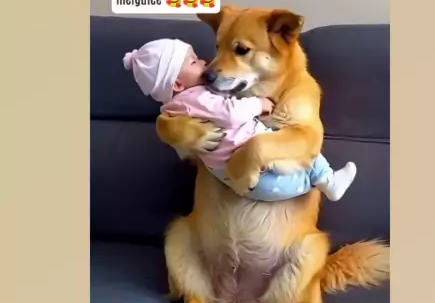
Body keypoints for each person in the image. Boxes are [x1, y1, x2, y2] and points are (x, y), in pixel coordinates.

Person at [123, 38, 357, 202]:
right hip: (254, 177)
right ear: (176, 84)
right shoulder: (197, 98)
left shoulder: (174, 106)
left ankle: (322, 181)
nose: (207, 63)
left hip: (236, 176)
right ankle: (325, 181)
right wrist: (258, 104)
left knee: (297, 147)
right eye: (194, 62)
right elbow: (230, 113)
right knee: (308, 164)